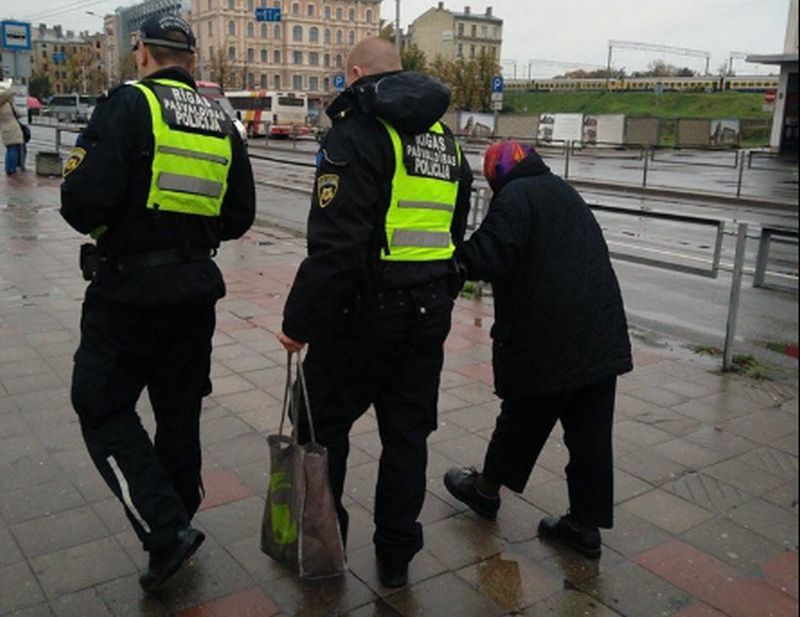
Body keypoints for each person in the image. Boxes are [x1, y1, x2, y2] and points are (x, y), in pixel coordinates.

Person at [60, 15, 255, 592]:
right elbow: (239, 214)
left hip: (128, 292)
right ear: (191, 61)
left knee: (99, 403)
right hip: (194, 291)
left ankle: (166, 531)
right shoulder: (220, 120)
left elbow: (82, 201)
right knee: (179, 412)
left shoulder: (128, 104)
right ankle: (179, 518)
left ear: (141, 52)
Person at [276, 37, 473, 588]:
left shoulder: (357, 132)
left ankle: (326, 542)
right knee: (407, 436)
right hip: (428, 312)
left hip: (362, 314)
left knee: (319, 427)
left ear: (356, 74)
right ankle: (396, 556)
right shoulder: (447, 143)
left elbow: (337, 247)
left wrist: (298, 322)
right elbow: (454, 232)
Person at [443, 140, 632, 559]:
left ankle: (485, 491)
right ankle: (585, 526)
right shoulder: (561, 189)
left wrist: (447, 257)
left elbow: (488, 256)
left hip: (549, 335)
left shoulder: (515, 197)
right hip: (601, 332)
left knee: (522, 417)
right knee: (590, 435)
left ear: (497, 174)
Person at [0, 87, 24, 175]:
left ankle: (9, 168)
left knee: (10, 149)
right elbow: (19, 114)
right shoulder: (7, 104)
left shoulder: (3, 105)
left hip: (5, 129)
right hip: (13, 128)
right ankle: (12, 168)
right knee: (13, 149)